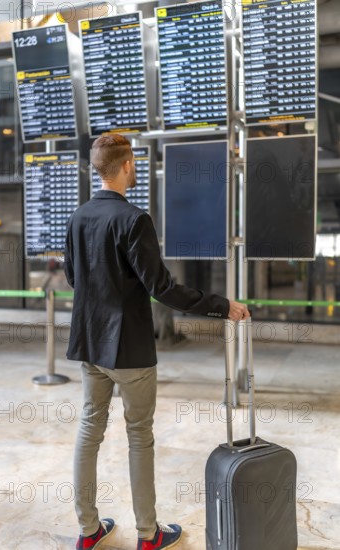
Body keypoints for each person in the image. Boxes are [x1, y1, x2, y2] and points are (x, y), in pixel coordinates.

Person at [64, 134, 250, 550]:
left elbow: (74, 279)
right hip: (129, 348)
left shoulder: (78, 218)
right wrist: (222, 306)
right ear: (127, 164)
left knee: (89, 430)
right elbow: (162, 288)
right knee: (139, 436)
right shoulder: (134, 220)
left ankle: (88, 529)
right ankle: (148, 535)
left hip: (90, 346)